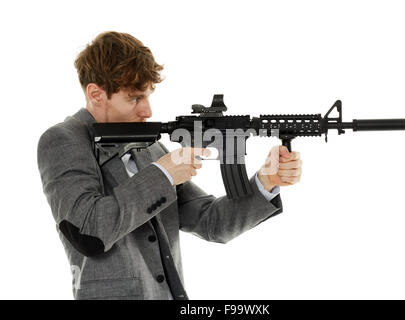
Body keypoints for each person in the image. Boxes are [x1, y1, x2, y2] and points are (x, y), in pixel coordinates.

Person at [37, 31, 302, 300]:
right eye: (134, 98)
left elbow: (212, 223)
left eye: (148, 96)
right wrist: (163, 174)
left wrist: (266, 181)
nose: (148, 111)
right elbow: (88, 231)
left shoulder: (151, 148)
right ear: (96, 94)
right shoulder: (63, 140)